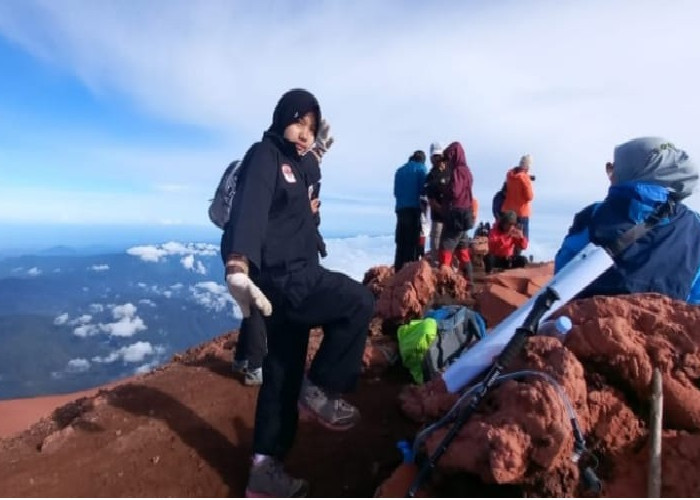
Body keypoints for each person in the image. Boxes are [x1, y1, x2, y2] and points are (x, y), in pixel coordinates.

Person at [222, 88, 375, 497]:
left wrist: (316, 158)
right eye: (298, 123)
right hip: (289, 279)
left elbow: (303, 177)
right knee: (359, 301)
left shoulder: (299, 164)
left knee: (281, 374)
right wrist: (238, 264)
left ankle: (264, 470)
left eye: (311, 126)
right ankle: (322, 387)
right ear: (280, 119)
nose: (305, 133)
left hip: (288, 282)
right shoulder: (265, 155)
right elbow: (250, 209)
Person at [230, 121, 334, 386]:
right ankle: (254, 368)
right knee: (257, 306)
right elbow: (268, 215)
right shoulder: (274, 166)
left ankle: (242, 358)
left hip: (249, 243)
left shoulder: (289, 168)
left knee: (254, 303)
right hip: (253, 246)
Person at [554, 137, 700, 304]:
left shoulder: (594, 215)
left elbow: (563, 274)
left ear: (631, 169)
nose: (612, 171)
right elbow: (696, 299)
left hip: (590, 324)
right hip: (667, 327)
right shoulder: (695, 226)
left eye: (615, 165)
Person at [438, 141, 476, 290]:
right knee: (463, 251)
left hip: (455, 216)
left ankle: (444, 285)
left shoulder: (458, 171)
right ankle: (469, 283)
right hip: (465, 214)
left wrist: (444, 189)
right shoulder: (467, 171)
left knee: (445, 248)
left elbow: (455, 191)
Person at [393, 150, 428, 271]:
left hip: (400, 210)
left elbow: (396, 193)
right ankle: (409, 272)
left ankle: (398, 270)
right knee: (412, 243)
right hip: (414, 210)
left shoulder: (399, 171)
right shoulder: (421, 169)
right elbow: (424, 190)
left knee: (401, 242)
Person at [424, 142, 451, 263]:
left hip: (452, 216)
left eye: (438, 156)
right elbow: (431, 199)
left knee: (449, 244)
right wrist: (441, 210)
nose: (437, 159)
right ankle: (436, 268)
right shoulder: (430, 176)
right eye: (434, 156)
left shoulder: (451, 171)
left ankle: (450, 268)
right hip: (438, 216)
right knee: (436, 243)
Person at [501, 154, 535, 240]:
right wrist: (528, 179)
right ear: (528, 167)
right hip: (521, 213)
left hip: (508, 211)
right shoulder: (524, 178)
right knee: (521, 239)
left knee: (508, 238)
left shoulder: (509, 175)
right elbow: (529, 197)